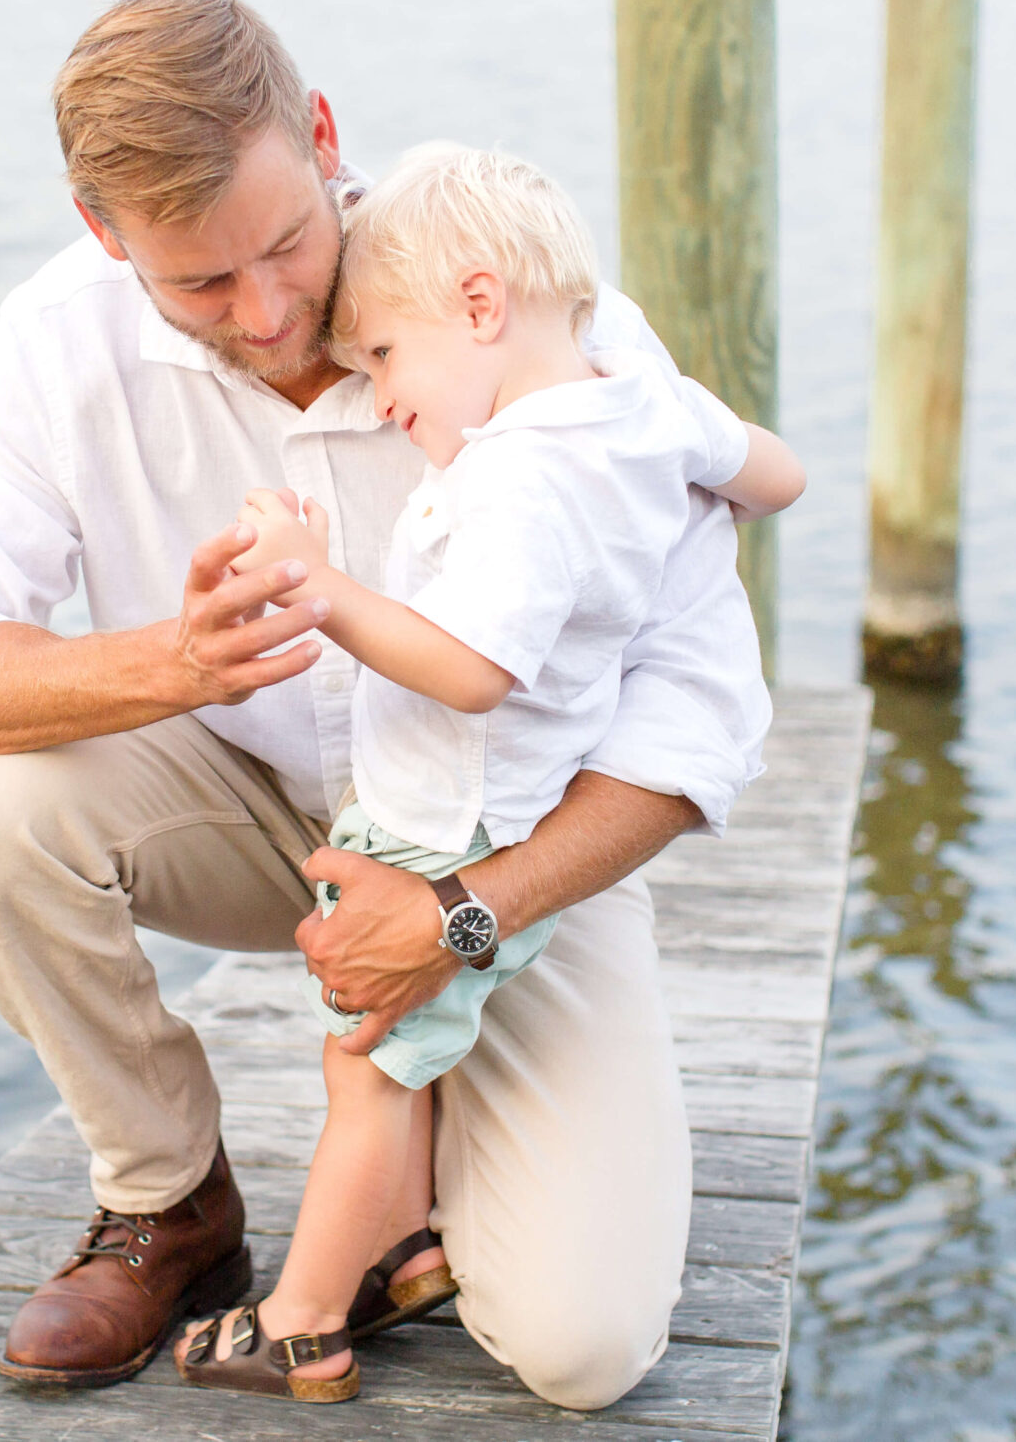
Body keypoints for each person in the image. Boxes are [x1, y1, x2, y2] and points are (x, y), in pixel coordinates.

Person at [0, 0, 771, 1410]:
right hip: (241, 809)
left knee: (585, 1347)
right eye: (202, 286)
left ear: (324, 134)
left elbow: (700, 711)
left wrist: (468, 914)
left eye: (287, 244)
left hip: (500, 855)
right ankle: (170, 1198)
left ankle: (425, 1160)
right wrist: (179, 660)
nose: (271, 313)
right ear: (109, 235)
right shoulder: (56, 340)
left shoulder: (519, 313)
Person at [167, 145, 803, 1401]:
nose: (375, 387)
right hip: (491, 813)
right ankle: (408, 1250)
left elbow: (469, 671)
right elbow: (776, 477)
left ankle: (300, 1320)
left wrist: (317, 584)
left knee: (368, 1072)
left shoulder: (519, 475)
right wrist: (704, 464)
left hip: (443, 832)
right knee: (401, 1063)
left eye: (387, 359)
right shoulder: (643, 404)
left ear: (476, 307)